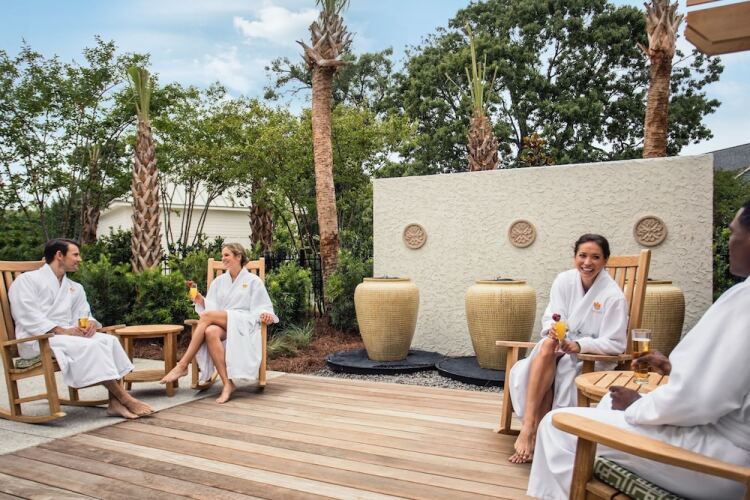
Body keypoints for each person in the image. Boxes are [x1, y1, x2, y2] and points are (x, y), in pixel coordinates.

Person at [528, 201, 750, 499]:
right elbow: (727, 380)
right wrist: (670, 369)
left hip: (724, 461)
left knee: (557, 426)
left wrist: (637, 404)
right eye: (582, 255)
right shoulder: (564, 281)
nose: (729, 241)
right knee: (599, 400)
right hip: (723, 442)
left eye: (734, 232)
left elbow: (696, 400)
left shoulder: (744, 302)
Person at [507, 234, 628, 463]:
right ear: (575, 257)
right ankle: (531, 428)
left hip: (591, 357)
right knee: (548, 345)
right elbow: (553, 316)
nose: (587, 262)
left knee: (551, 365)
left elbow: (615, 343)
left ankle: (532, 432)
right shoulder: (564, 281)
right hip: (561, 349)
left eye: (595, 257)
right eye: (582, 255)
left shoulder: (613, 296)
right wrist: (554, 331)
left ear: (605, 260)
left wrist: (580, 345)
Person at [8, 239, 153, 419]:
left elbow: (84, 314)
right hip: (37, 339)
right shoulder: (26, 281)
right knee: (91, 346)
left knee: (110, 341)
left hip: (67, 336)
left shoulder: (74, 287)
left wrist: (90, 324)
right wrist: (60, 330)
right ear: (59, 255)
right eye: (75, 254)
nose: (80, 259)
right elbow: (26, 314)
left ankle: (114, 403)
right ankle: (126, 399)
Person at [160, 243, 278, 404]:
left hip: (243, 321)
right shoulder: (219, 281)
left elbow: (263, 306)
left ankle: (182, 365)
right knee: (210, 332)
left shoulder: (253, 281)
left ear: (239, 257)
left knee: (207, 317)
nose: (223, 258)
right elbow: (213, 307)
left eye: (227, 255)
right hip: (226, 321)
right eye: (222, 255)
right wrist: (201, 300)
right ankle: (227, 383)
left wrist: (265, 314)